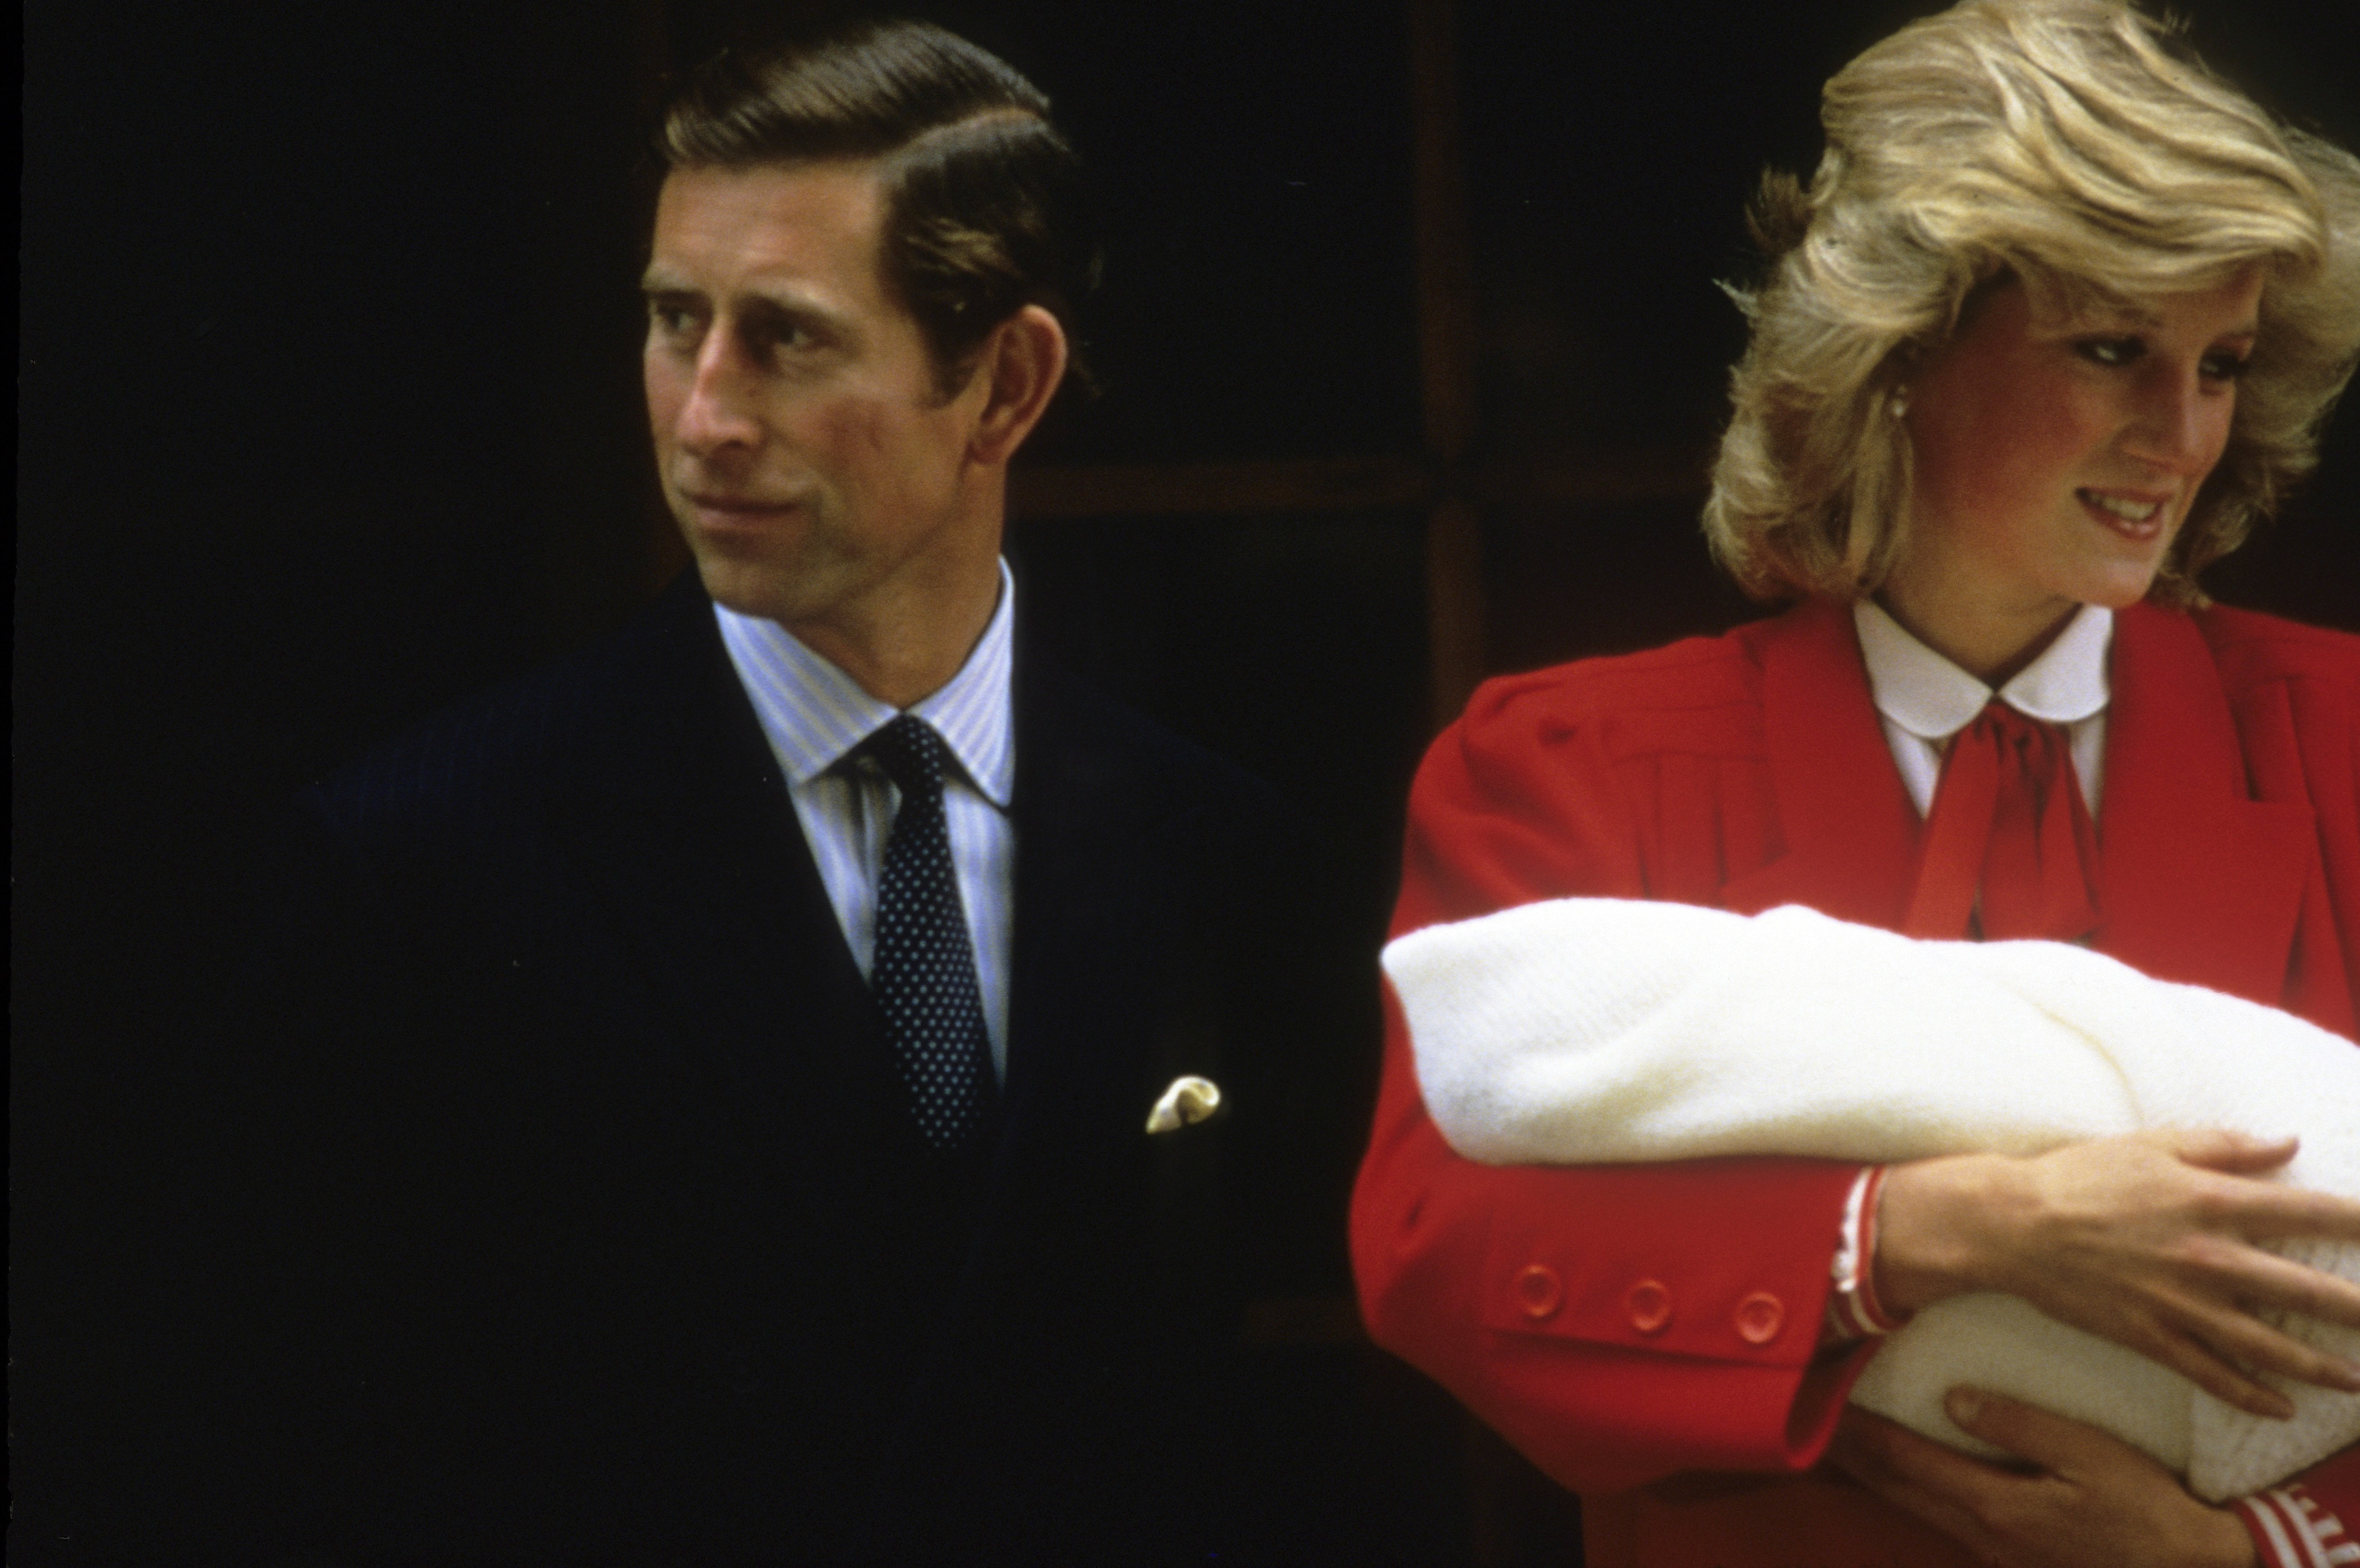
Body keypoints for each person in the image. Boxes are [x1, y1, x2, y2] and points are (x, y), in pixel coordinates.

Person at [162, 20, 1369, 1565]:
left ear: (1004, 386)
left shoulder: (1223, 856)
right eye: (677, 321)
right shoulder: (413, 866)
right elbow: (307, 1474)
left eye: (786, 337)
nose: (702, 414)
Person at [1350, 2, 2360, 1565]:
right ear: (1898, 349)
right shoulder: (1564, 765)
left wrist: (2258, 1549)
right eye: (2110, 348)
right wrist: (1915, 1235)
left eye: (2217, 363)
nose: (2179, 434)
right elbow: (1435, 1252)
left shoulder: (2342, 738)